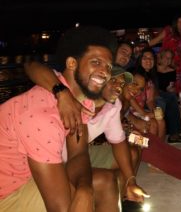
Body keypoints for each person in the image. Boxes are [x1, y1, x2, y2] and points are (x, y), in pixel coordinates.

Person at [0, 26, 117, 211]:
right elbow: (59, 208)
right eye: (96, 62)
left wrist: (85, 189)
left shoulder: (80, 101)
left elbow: (78, 154)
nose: (105, 71)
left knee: (106, 181)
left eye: (109, 67)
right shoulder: (42, 117)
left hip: (29, 174)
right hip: (6, 195)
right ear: (72, 64)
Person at [23, 62, 150, 211]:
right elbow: (31, 66)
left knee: (138, 147)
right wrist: (61, 92)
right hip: (59, 159)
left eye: (122, 84)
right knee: (127, 157)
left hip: (86, 149)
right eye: (114, 81)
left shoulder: (116, 104)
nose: (119, 86)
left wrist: (131, 180)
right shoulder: (78, 97)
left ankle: (124, 195)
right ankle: (108, 196)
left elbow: (120, 138)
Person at [148, 15, 181, 94]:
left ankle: (180, 101)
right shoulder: (169, 30)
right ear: (175, 23)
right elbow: (156, 40)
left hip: (178, 64)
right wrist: (143, 49)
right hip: (165, 60)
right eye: (179, 21)